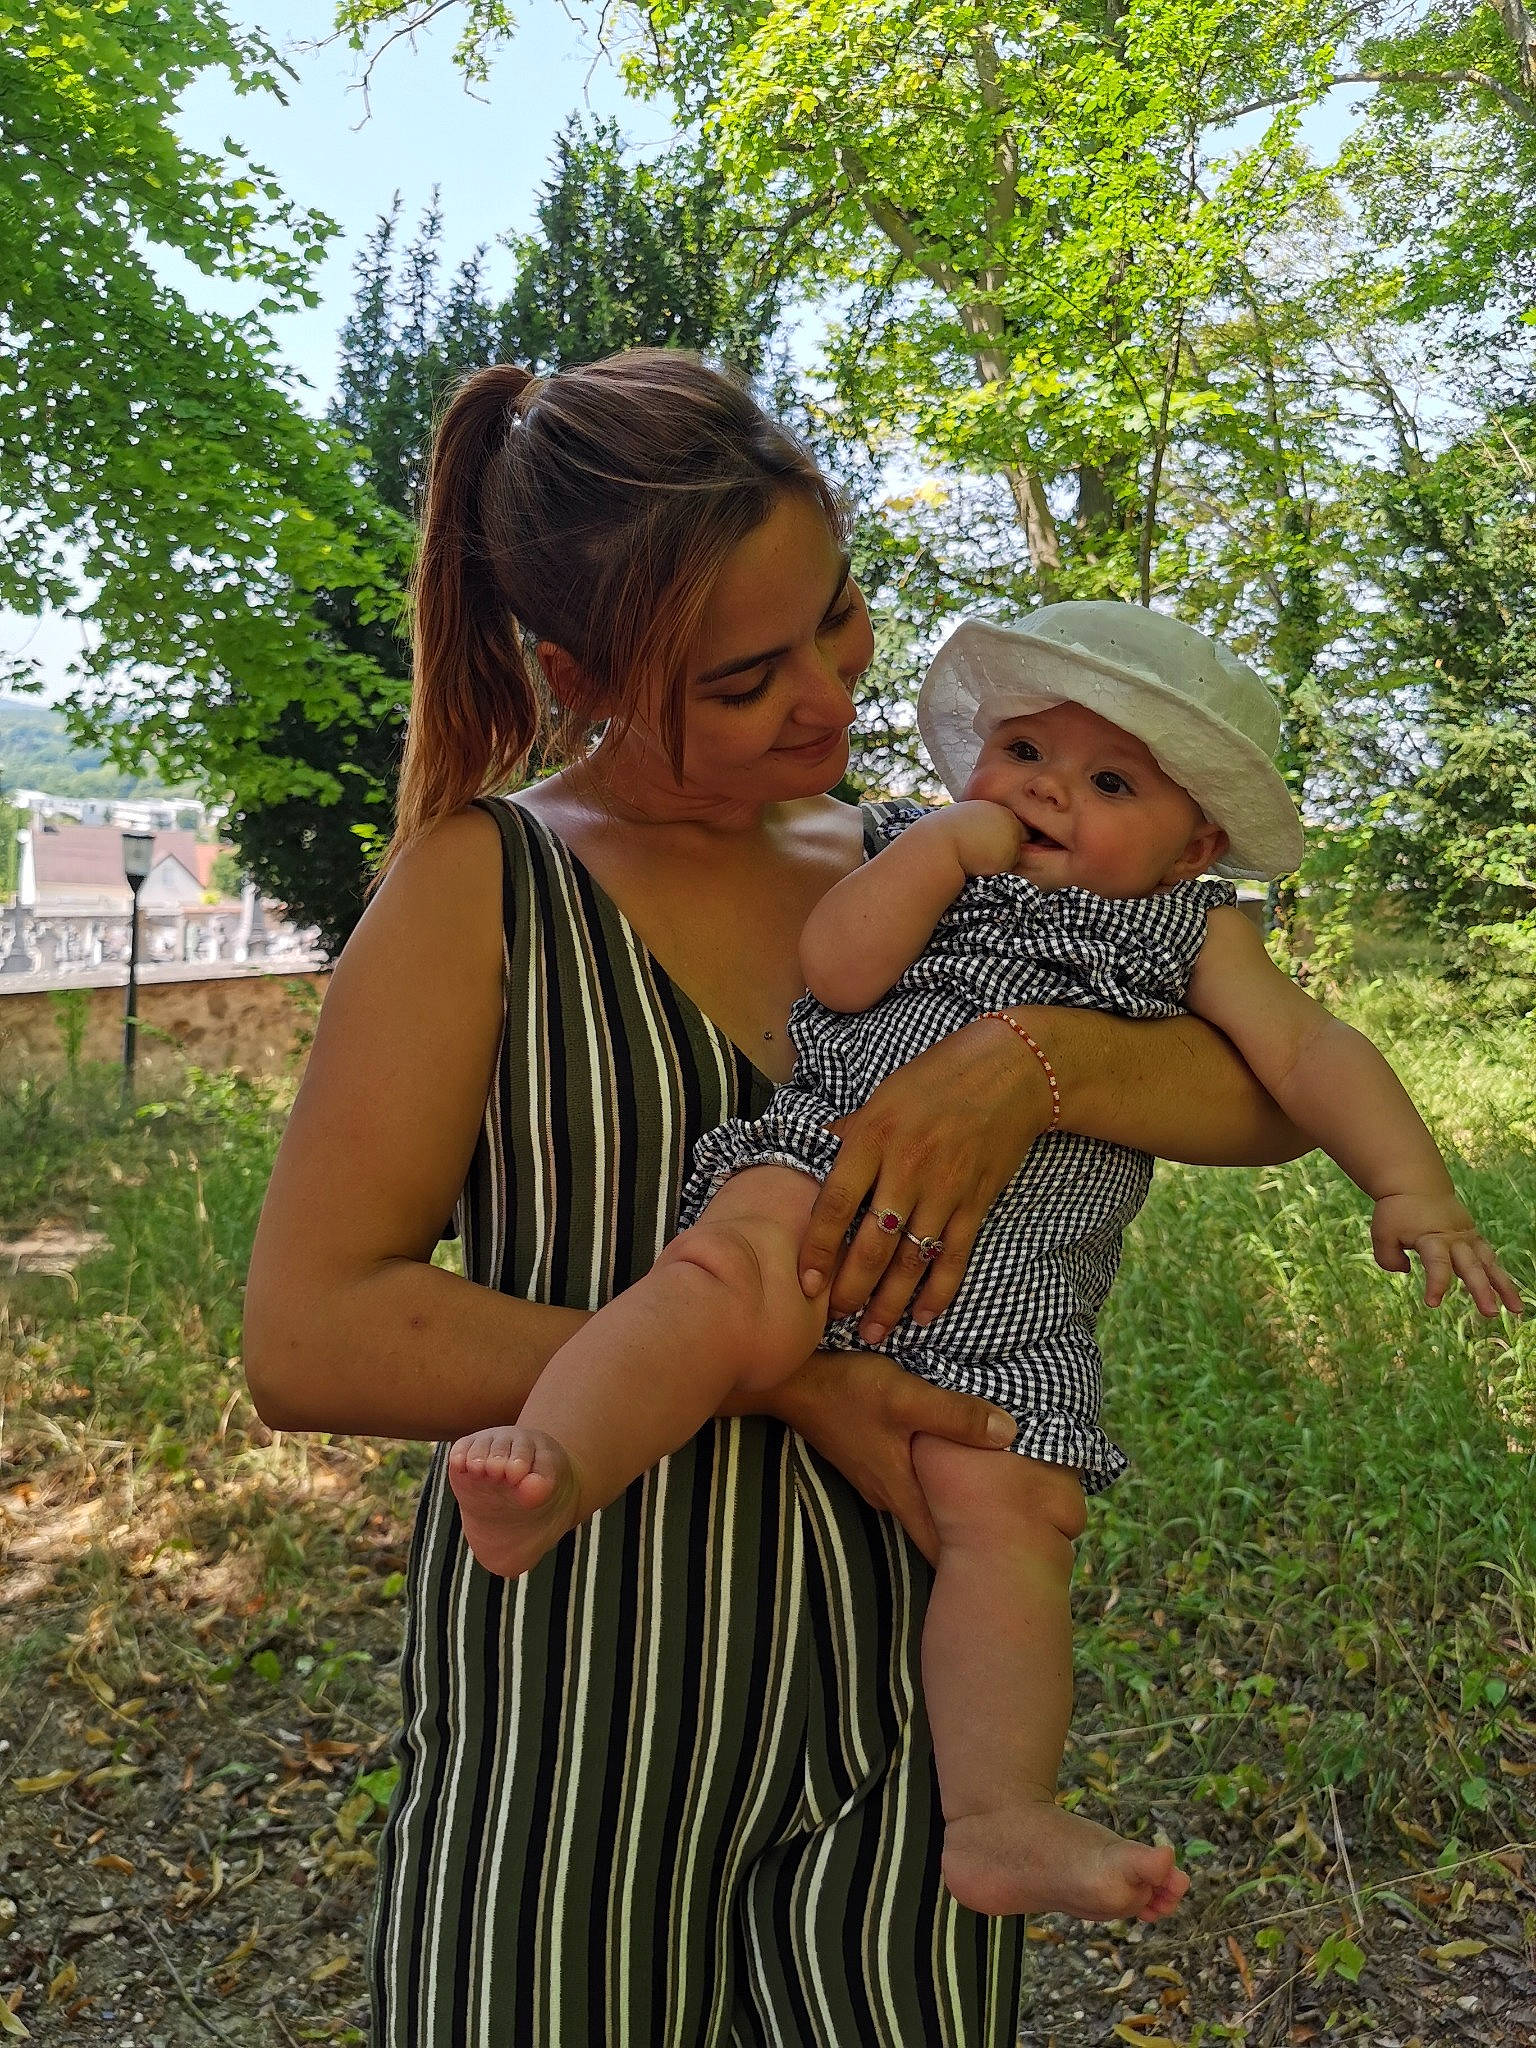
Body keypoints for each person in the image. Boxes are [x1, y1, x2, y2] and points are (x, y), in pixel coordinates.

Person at [244, 354, 1315, 2047]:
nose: (827, 699)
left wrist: (1032, 1065)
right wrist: (792, 1369)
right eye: (746, 679)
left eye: (840, 618)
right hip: (591, 1702)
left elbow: (1275, 1089)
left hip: (910, 1712)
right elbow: (310, 1337)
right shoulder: (483, 885)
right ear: (578, 673)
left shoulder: (938, 860)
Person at [446, 598, 1524, 1935]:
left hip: (1009, 1294)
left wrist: (1414, 1186)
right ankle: (553, 1467)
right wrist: (947, 853)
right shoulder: (918, 855)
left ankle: (1000, 1816)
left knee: (1019, 1522)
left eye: (1110, 781)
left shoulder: (1194, 933)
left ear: (1194, 841)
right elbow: (835, 974)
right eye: (1023, 754)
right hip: (824, 1189)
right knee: (713, 1287)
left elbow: (1304, 1064)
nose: (1050, 792)